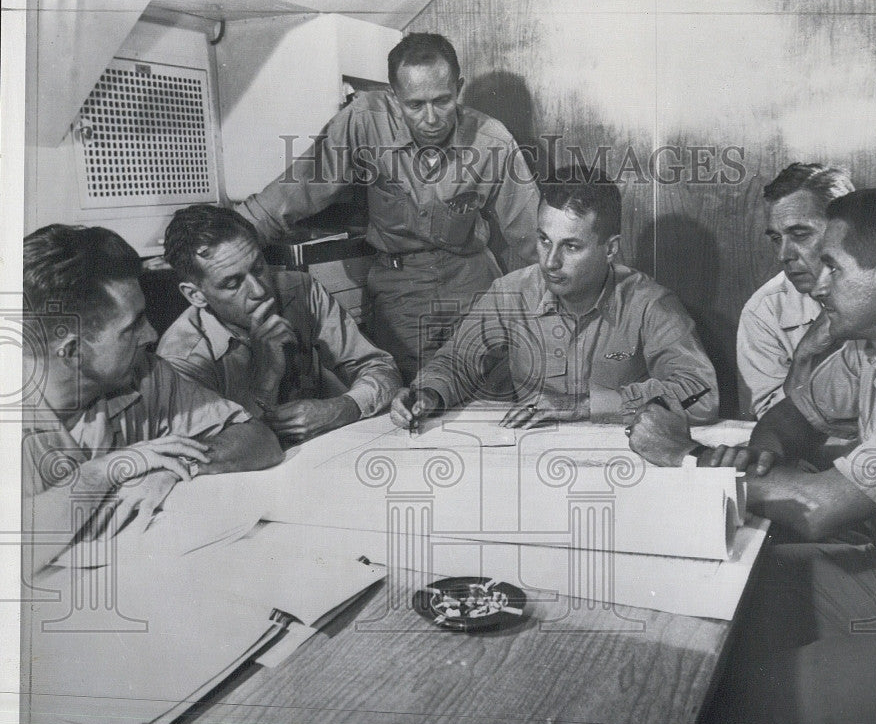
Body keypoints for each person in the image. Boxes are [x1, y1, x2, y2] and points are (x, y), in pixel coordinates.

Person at [627, 189, 876, 724]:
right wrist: (765, 455)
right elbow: (789, 419)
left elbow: (822, 508)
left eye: (832, 265)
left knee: (761, 693)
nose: (816, 283)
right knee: (728, 600)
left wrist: (689, 460)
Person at [235, 32, 540, 382]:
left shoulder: (492, 139)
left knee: (492, 390)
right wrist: (226, 240)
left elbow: (535, 235)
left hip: (471, 283)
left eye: (443, 101)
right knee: (413, 401)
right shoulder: (362, 120)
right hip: (399, 293)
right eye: (415, 105)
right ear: (394, 98)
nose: (431, 118)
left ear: (458, 87)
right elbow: (297, 188)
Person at [22, 225, 283, 572]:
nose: (152, 334)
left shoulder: (142, 372)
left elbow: (259, 438)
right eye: (133, 326)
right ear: (71, 349)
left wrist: (178, 467)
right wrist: (104, 472)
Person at [390, 167, 718, 430]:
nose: (550, 261)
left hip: (620, 463)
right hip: (529, 464)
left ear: (611, 248)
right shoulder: (510, 293)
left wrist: (584, 407)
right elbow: (457, 363)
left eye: (570, 246)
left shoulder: (650, 303)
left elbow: (701, 394)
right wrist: (427, 394)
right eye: (545, 241)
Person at [157, 205, 402, 446]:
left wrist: (343, 407)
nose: (259, 290)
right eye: (233, 283)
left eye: (259, 268)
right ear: (195, 295)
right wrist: (267, 375)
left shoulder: (301, 290)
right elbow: (215, 452)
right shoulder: (180, 357)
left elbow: (380, 367)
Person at [736, 163, 854, 418]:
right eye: (776, 239)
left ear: (844, 229)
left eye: (800, 235)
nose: (783, 254)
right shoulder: (765, 310)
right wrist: (806, 355)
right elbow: (770, 423)